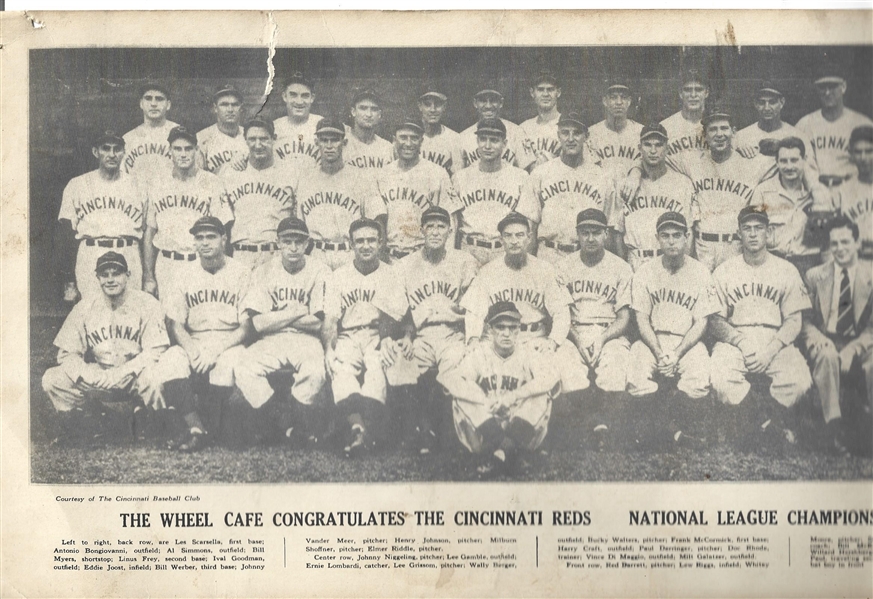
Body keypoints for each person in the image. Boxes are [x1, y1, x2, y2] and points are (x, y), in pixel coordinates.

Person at [710, 206, 813, 446]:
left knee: (800, 380)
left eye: (759, 228)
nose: (753, 234)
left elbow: (794, 319)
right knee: (720, 379)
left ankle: (755, 425)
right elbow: (715, 320)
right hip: (736, 338)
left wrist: (772, 348)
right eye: (747, 228)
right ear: (739, 233)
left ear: (768, 232)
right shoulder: (724, 271)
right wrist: (741, 342)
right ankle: (767, 424)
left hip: (774, 338)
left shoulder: (786, 270)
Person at [42, 251, 168, 445]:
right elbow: (66, 353)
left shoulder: (147, 304)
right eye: (105, 274)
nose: (110, 279)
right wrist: (89, 375)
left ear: (128, 275)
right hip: (101, 375)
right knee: (53, 378)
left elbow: (156, 350)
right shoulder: (85, 307)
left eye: (116, 273)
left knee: (155, 376)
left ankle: (148, 420)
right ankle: (87, 420)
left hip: (134, 375)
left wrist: (123, 372)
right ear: (97, 277)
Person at [627, 106, 775, 272]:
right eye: (713, 129)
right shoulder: (692, 160)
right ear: (704, 135)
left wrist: (748, 145)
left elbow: (786, 162)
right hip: (703, 247)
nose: (719, 134)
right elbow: (653, 157)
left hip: (736, 245)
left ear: (734, 132)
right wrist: (635, 172)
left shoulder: (752, 163)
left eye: (724, 128)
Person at [383, 206, 479, 453]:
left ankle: (450, 431)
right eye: (430, 227)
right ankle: (418, 429)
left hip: (453, 333)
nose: (435, 232)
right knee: (400, 363)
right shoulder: (405, 266)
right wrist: (406, 336)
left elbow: (474, 308)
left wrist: (471, 338)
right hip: (421, 335)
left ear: (449, 231)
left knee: (456, 367)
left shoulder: (465, 262)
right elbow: (402, 311)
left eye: (441, 227)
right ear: (421, 230)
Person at [461, 211, 589, 395]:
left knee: (569, 362)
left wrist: (553, 341)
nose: (514, 241)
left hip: (536, 338)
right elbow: (474, 311)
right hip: (500, 340)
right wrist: (473, 338)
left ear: (529, 238)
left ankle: (574, 420)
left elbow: (561, 312)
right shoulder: (488, 272)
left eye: (520, 235)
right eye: (509, 236)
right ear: (501, 240)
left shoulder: (545, 270)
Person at [156, 216, 252, 452]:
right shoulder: (182, 273)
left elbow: (247, 326)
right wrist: (192, 350)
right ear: (194, 243)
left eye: (211, 237)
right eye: (199, 238)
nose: (205, 243)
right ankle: (196, 427)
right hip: (195, 338)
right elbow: (175, 323)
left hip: (229, 340)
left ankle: (213, 426)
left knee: (224, 365)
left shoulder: (242, 271)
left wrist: (216, 350)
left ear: (224, 240)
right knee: (170, 361)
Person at [234, 217, 331, 445]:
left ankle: (295, 423)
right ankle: (280, 422)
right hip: (272, 339)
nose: (294, 247)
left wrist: (277, 315)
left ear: (307, 243)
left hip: (305, 339)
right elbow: (258, 324)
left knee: (315, 371)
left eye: (299, 241)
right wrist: (296, 311)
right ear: (278, 243)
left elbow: (318, 323)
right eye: (288, 241)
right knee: (244, 367)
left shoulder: (320, 270)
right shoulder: (263, 271)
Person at [437, 301, 560, 478]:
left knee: (541, 396)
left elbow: (551, 377)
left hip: (518, 423)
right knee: (462, 396)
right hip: (486, 424)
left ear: (519, 329)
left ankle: (497, 455)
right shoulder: (480, 353)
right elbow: (450, 380)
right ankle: (511, 454)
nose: (506, 334)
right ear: (490, 329)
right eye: (500, 327)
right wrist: (484, 400)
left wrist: (515, 396)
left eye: (512, 328)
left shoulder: (527, 352)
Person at [627, 212, 717, 447]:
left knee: (698, 380)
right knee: (636, 374)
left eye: (677, 235)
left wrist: (676, 354)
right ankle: (668, 432)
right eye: (665, 236)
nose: (671, 241)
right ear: (657, 238)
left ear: (687, 237)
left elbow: (701, 322)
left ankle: (668, 429)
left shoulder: (701, 273)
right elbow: (642, 318)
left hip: (686, 342)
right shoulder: (645, 272)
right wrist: (658, 352)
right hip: (652, 341)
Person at [322, 218, 407, 457]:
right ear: (351, 244)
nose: (366, 245)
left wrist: (387, 337)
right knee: (340, 369)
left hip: (377, 335)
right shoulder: (338, 276)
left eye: (371, 240)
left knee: (378, 368)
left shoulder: (392, 274)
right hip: (348, 335)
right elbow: (330, 319)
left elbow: (396, 315)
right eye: (360, 241)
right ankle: (359, 428)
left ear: (380, 243)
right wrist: (329, 348)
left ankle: (362, 431)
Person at [556, 209, 633, 443]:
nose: (590, 238)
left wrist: (601, 339)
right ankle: (582, 427)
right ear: (577, 235)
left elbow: (623, 318)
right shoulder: (563, 266)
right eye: (585, 232)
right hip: (573, 331)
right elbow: (560, 315)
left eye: (596, 232)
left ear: (606, 235)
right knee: (568, 370)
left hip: (608, 332)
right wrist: (578, 340)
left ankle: (606, 426)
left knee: (615, 367)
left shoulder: (621, 268)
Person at [802, 216, 873, 455]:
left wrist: (854, 348)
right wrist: (816, 338)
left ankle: (867, 429)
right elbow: (805, 320)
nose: (840, 249)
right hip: (826, 337)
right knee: (827, 356)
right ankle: (833, 428)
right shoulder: (815, 276)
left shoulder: (870, 276)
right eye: (834, 244)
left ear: (856, 242)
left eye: (845, 242)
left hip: (860, 339)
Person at [142, 126, 232, 299]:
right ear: (169, 151)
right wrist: (148, 275)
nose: (183, 154)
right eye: (177, 149)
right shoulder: (157, 183)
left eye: (188, 148)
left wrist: (220, 269)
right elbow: (150, 232)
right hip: (167, 262)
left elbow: (222, 232)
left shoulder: (212, 182)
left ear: (197, 150)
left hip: (199, 261)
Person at [58, 130, 145, 302]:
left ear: (124, 152)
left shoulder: (138, 184)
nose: (112, 154)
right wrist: (69, 280)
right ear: (95, 152)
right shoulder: (78, 184)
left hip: (128, 252)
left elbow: (149, 230)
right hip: (91, 253)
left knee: (129, 312)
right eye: (106, 148)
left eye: (117, 149)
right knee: (92, 313)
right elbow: (66, 235)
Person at [295, 118, 386, 270]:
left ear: (344, 143)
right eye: (324, 140)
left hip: (350, 254)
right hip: (316, 254)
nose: (329, 146)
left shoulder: (361, 178)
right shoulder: (306, 179)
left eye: (335, 140)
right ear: (317, 143)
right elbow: (300, 224)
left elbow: (378, 220)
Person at [452, 118, 540, 265]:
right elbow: (453, 225)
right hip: (469, 249)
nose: (487, 146)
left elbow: (529, 225)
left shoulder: (520, 177)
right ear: (477, 142)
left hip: (503, 251)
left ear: (504, 144)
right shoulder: (460, 177)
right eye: (483, 139)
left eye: (494, 140)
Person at [608, 123, 694, 271]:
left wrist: (682, 267)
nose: (653, 151)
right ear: (640, 148)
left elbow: (690, 232)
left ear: (667, 148)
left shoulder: (683, 183)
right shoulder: (626, 185)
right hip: (635, 260)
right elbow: (617, 232)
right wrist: (624, 268)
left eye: (658, 145)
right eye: (647, 145)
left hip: (669, 261)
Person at [529, 112, 610, 265]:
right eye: (565, 133)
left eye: (577, 133)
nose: (571, 139)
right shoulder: (541, 173)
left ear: (586, 136)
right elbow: (531, 227)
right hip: (549, 254)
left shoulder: (602, 176)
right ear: (558, 135)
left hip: (587, 257)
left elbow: (610, 228)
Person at [376, 118, 461, 261]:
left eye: (414, 138)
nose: (408, 143)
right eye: (403, 137)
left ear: (421, 141)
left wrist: (444, 258)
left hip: (423, 257)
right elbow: (377, 221)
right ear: (394, 140)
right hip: (390, 256)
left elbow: (451, 221)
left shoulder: (437, 173)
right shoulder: (382, 174)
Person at [221, 118, 296, 270]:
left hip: (277, 254)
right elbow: (222, 223)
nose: (258, 145)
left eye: (263, 139)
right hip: (242, 254)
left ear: (274, 139)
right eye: (252, 139)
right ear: (245, 141)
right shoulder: (231, 173)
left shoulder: (291, 172)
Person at [749, 137, 822, 274]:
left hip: (809, 265)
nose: (789, 167)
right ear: (776, 162)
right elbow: (753, 231)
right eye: (783, 161)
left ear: (804, 160)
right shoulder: (763, 192)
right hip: (774, 264)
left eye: (794, 160)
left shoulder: (817, 194)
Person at [795, 62, 873, 186]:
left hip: (851, 189)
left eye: (832, 86)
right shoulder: (804, 124)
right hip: (816, 191)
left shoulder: (862, 123)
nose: (827, 92)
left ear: (843, 87)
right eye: (822, 87)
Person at [733, 82, 812, 172]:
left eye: (772, 102)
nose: (767, 108)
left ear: (781, 103)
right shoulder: (741, 137)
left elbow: (809, 173)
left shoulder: (798, 136)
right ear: (755, 104)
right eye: (762, 102)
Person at [458, 84, 536, 172]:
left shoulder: (517, 132)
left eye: (493, 100)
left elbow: (529, 170)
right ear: (475, 103)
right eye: (483, 101)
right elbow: (458, 176)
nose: (488, 106)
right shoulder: (463, 137)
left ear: (501, 103)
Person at [587, 79, 644, 179]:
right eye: (613, 97)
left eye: (623, 97)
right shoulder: (592, 133)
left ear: (629, 101)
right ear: (605, 101)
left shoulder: (641, 132)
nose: (619, 102)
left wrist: (637, 172)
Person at [832, 126, 873, 260]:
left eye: (868, 151)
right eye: (858, 152)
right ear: (851, 154)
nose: (863, 157)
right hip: (855, 260)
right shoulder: (843, 190)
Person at [122, 82, 178, 182]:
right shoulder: (128, 139)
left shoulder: (181, 134)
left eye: (159, 99)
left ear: (168, 105)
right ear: (141, 103)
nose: (153, 104)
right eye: (148, 98)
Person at [273, 72, 323, 168]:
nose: (299, 102)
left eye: (305, 96)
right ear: (284, 96)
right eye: (293, 95)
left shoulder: (322, 124)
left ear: (312, 98)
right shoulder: (274, 127)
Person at [196, 84, 249, 175]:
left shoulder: (250, 136)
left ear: (241, 108)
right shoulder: (202, 138)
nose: (230, 109)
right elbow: (198, 177)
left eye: (235, 105)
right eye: (224, 105)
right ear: (215, 108)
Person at [660, 69, 708, 158]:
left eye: (698, 89)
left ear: (706, 92)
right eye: (688, 90)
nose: (693, 95)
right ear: (681, 93)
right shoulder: (665, 127)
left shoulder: (717, 126)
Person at [418, 84, 464, 176]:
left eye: (438, 104)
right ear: (420, 106)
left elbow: (458, 178)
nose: (433, 109)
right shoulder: (410, 137)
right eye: (427, 104)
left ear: (444, 107)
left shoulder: (455, 139)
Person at [520, 71, 563, 167]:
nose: (545, 94)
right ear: (532, 93)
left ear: (558, 92)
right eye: (540, 89)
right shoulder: (523, 128)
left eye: (550, 89)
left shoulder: (568, 125)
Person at [344, 89, 395, 170]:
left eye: (374, 109)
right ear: (353, 111)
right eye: (363, 108)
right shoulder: (342, 143)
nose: (369, 114)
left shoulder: (387, 147)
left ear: (379, 115)